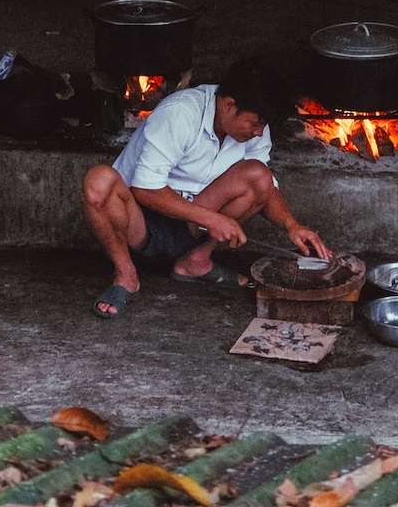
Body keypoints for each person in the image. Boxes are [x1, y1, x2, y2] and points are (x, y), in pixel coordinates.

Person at [81, 56, 330, 319]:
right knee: (99, 179)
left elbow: (266, 187)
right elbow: (145, 189)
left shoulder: (255, 129)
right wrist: (213, 219)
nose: (259, 132)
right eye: (255, 123)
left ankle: (195, 262)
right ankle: (126, 276)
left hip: (192, 225)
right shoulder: (180, 113)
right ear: (230, 105)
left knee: (259, 175)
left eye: (262, 126)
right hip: (138, 224)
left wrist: (292, 225)